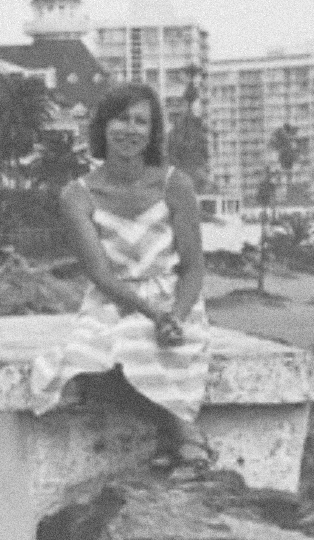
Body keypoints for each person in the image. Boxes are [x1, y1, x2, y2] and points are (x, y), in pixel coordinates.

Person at [29, 82, 214, 477]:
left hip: (173, 297)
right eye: (120, 119)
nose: (130, 130)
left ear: (152, 132)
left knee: (152, 345)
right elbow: (100, 274)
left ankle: (176, 437)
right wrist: (152, 315)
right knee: (100, 355)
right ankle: (184, 434)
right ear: (103, 127)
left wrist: (175, 317)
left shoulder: (175, 185)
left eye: (140, 121)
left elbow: (194, 268)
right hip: (112, 299)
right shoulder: (77, 195)